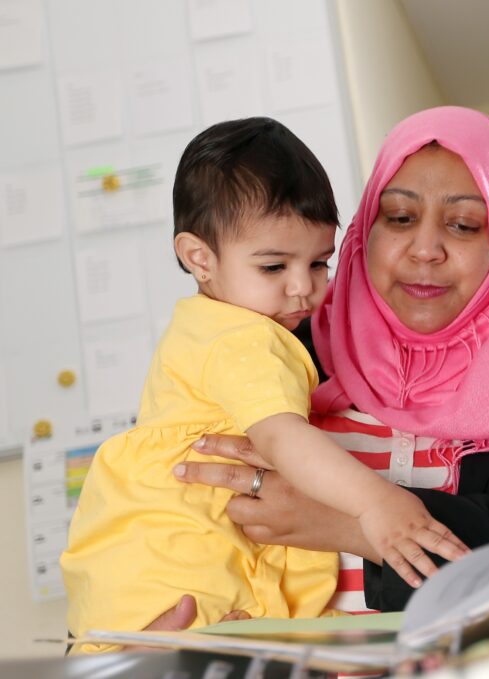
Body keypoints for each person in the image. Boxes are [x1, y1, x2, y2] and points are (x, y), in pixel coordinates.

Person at [171, 107, 489, 615]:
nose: (425, 250)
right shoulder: (280, 353)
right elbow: (168, 501)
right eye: (399, 218)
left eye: (463, 225)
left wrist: (353, 527)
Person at [61, 118, 467, 649]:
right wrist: (376, 505)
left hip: (150, 561)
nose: (303, 288)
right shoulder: (245, 337)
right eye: (274, 267)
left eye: (319, 263)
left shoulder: (206, 325)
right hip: (184, 560)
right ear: (199, 258)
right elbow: (282, 438)